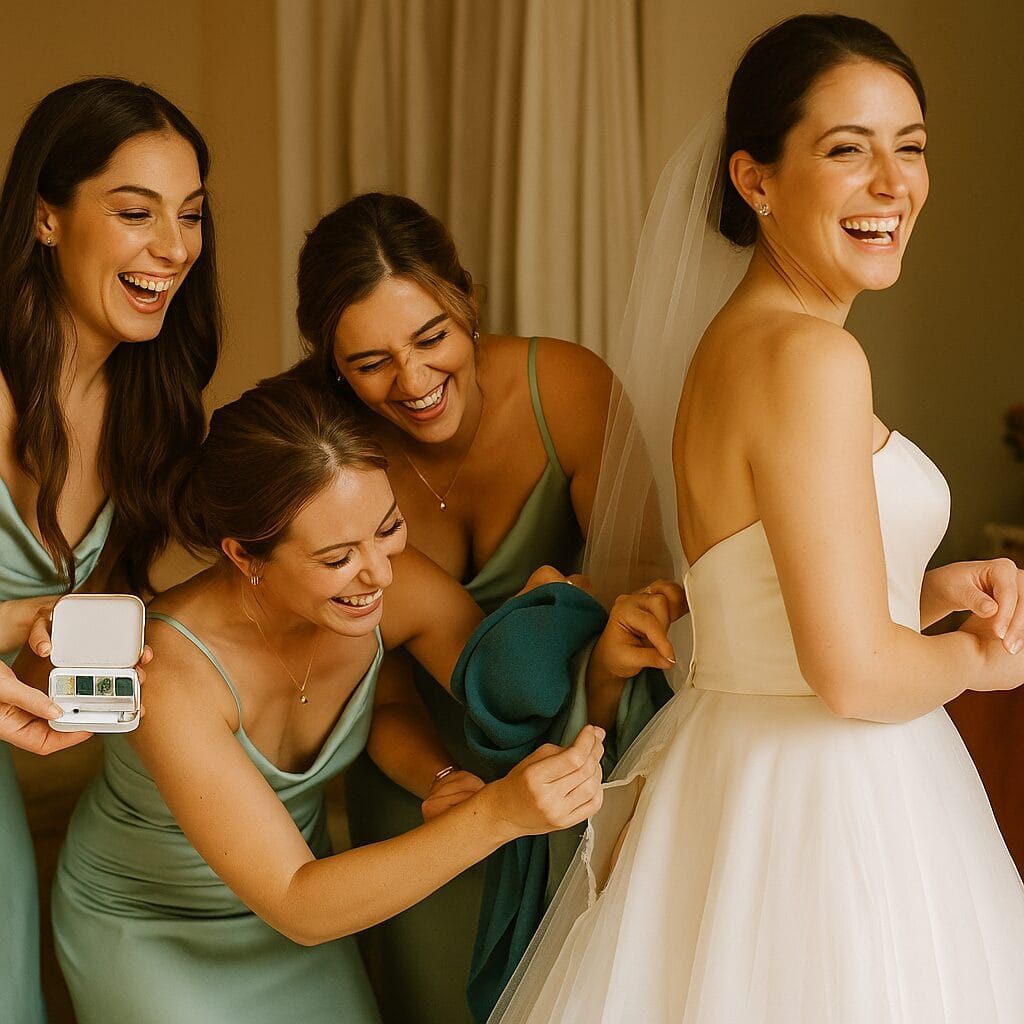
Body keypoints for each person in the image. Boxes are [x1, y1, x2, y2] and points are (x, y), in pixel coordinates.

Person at [489, 14, 1024, 1023]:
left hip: (737, 777)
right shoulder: (810, 358)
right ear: (755, 179)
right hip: (832, 802)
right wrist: (977, 660)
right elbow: (854, 672)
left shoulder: (731, 344)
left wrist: (915, 589)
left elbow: (758, 587)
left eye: (909, 148)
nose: (891, 184)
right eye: (845, 150)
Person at [51, 376, 677, 1024]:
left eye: (388, 528)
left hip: (305, 903)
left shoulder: (390, 590)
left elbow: (464, 697)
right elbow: (298, 903)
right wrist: (497, 815)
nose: (378, 572)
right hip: (155, 924)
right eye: (337, 557)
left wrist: (591, 656)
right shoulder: (171, 673)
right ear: (244, 555)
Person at [291, 192, 619, 1022]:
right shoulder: (339, 461)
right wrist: (439, 782)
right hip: (419, 783)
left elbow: (643, 590)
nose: (413, 381)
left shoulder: (568, 388)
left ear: (465, 301)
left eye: (431, 337)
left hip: (574, 753)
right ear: (332, 364)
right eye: (369, 363)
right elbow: (380, 689)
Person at [0, 77, 220, 1023]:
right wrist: (30, 621)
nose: (173, 248)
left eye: (192, 215)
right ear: (46, 218)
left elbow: (116, 600)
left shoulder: (150, 412)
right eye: (136, 213)